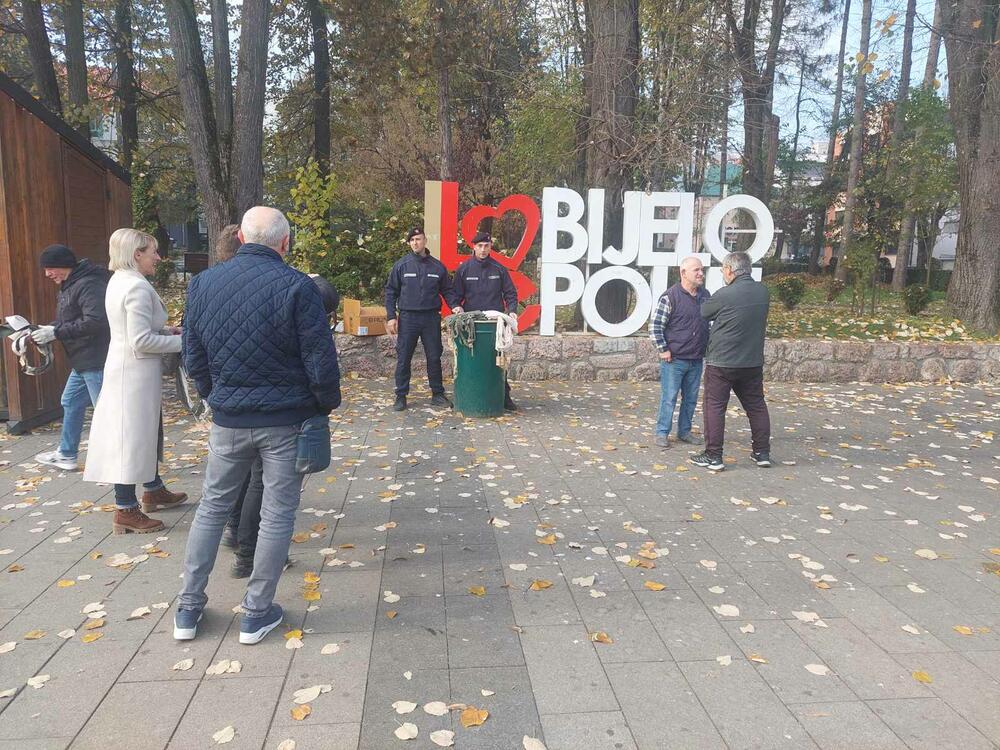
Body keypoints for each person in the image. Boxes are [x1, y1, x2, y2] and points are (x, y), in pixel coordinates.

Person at [176, 206, 341, 645]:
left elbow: (192, 355)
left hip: (228, 418)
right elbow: (319, 358)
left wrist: (216, 395)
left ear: (244, 238)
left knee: (211, 508)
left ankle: (188, 609)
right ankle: (255, 611)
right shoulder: (296, 287)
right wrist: (325, 405)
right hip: (285, 420)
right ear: (284, 243)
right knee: (277, 513)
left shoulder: (203, 284)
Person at [224, 274, 340, 579]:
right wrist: (323, 405)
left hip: (236, 406)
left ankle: (235, 531)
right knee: (266, 486)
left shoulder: (267, 298)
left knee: (245, 476)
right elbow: (318, 368)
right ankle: (249, 555)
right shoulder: (301, 316)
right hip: (276, 413)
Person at [83, 229, 188, 534]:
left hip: (127, 369)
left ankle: (153, 488)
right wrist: (186, 342)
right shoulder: (137, 287)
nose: (159, 256)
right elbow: (141, 341)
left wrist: (167, 331)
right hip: (135, 373)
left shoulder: (119, 281)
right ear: (136, 254)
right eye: (153, 251)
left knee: (142, 433)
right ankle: (126, 509)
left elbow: (135, 330)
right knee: (130, 439)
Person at [689, 251, 772, 472]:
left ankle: (713, 456)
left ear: (729, 270)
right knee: (756, 406)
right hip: (752, 362)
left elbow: (705, 312)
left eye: (723, 270)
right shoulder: (763, 292)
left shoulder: (725, 294)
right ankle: (762, 452)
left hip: (722, 362)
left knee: (715, 407)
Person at [32, 244, 111, 471]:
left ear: (63, 265)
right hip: (83, 360)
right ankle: (67, 455)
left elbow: (95, 322)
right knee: (71, 401)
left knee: (105, 411)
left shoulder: (88, 285)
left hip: (95, 358)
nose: (47, 274)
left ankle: (116, 460)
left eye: (49, 268)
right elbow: (69, 320)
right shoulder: (71, 285)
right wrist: (45, 329)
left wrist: (55, 332)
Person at [385, 227, 453, 411]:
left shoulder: (437, 267)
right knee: (404, 357)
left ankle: (437, 394)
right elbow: (391, 291)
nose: (416, 242)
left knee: (434, 356)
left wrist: (456, 307)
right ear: (409, 243)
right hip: (408, 318)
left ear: (425, 241)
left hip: (431, 318)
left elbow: (447, 290)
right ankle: (400, 396)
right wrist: (391, 317)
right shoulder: (401, 265)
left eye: (418, 239)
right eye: (412, 240)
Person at [450, 231, 520, 410]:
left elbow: (510, 293)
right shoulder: (464, 269)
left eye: (486, 246)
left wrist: (511, 311)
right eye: (479, 246)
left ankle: (504, 396)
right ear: (473, 247)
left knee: (497, 359)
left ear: (490, 247)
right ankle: (469, 393)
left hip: (494, 324)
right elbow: (455, 296)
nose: (483, 250)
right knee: (472, 360)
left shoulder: (498, 269)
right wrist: (456, 306)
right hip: (472, 324)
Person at [648, 256, 710, 448]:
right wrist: (663, 349)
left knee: (691, 399)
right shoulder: (670, 297)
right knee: (669, 398)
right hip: (674, 360)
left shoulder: (705, 295)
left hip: (696, 359)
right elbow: (655, 326)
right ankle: (662, 433)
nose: (701, 273)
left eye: (702, 270)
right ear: (683, 273)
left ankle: (684, 432)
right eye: (696, 270)